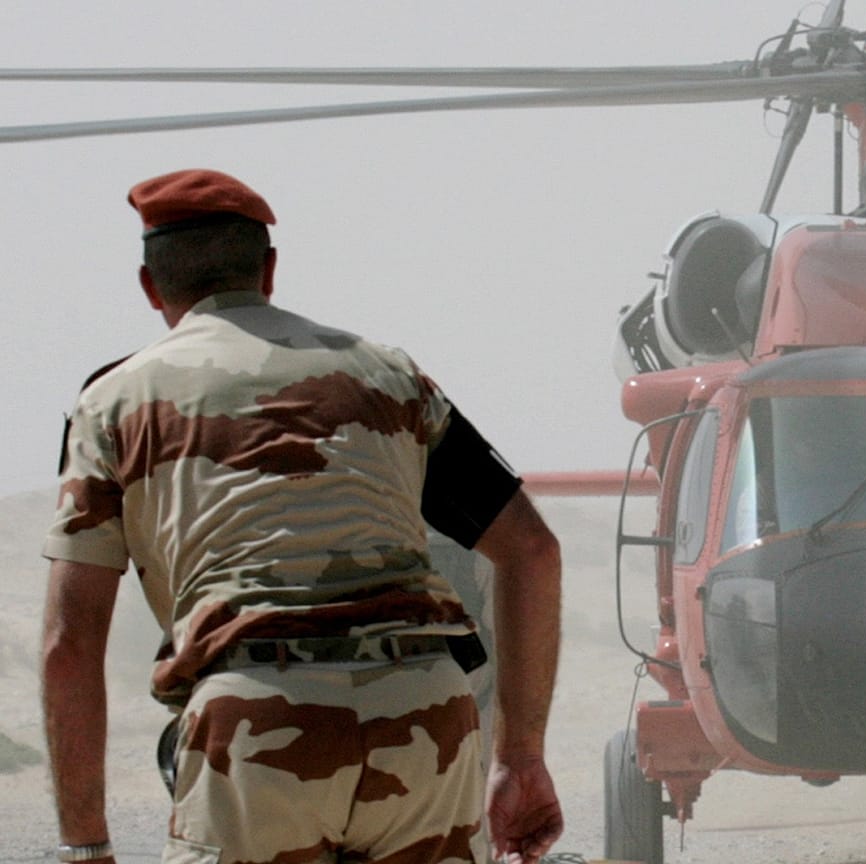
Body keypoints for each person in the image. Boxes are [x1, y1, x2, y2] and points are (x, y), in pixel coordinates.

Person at [40, 169, 564, 864]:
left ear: (150, 287)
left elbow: (69, 642)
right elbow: (532, 551)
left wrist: (85, 845)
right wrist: (520, 757)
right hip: (424, 718)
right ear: (269, 270)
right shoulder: (389, 377)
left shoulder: (115, 403)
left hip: (258, 726)